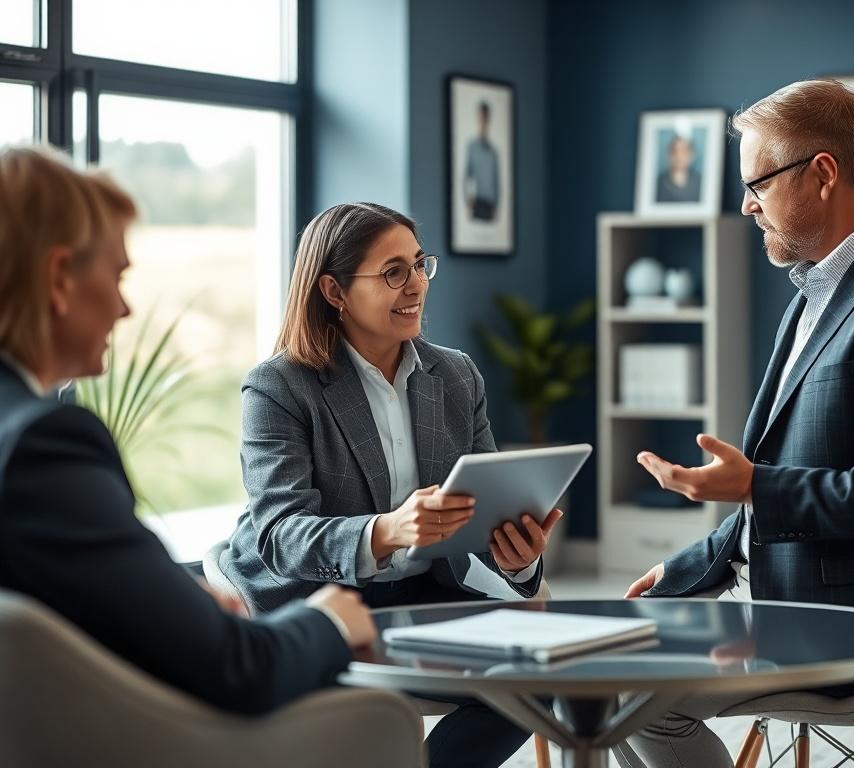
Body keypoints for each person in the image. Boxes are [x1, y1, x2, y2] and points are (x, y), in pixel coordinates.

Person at [615, 79, 854, 767]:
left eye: (757, 181)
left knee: (626, 689)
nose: (745, 204)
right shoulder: (815, 292)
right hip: (792, 595)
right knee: (608, 672)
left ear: (822, 174)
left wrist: (754, 485)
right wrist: (692, 564)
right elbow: (789, 480)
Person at [0, 146, 377, 717]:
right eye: (116, 274)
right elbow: (241, 669)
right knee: (373, 723)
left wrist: (172, 604)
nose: (124, 308)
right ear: (59, 279)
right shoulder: (45, 448)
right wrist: (328, 620)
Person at [219, 201, 562, 768]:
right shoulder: (279, 388)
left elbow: (483, 509)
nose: (417, 285)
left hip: (421, 596)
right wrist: (386, 531)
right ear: (333, 292)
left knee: (538, 679)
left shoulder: (455, 374)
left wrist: (518, 558)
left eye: (419, 265)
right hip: (316, 601)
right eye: (393, 272)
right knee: (361, 721)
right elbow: (280, 535)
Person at [464, 101, 500, 221]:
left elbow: (497, 181)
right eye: (481, 118)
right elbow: (467, 176)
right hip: (477, 201)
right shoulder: (472, 147)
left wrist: (496, 205)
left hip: (490, 204)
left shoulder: (493, 152)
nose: (483, 122)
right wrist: (467, 199)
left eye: (485, 118)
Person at [655, 134, 702, 203]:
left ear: (692, 155)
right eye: (675, 151)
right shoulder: (657, 184)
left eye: (684, 152)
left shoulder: (700, 183)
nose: (679, 156)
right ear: (669, 154)